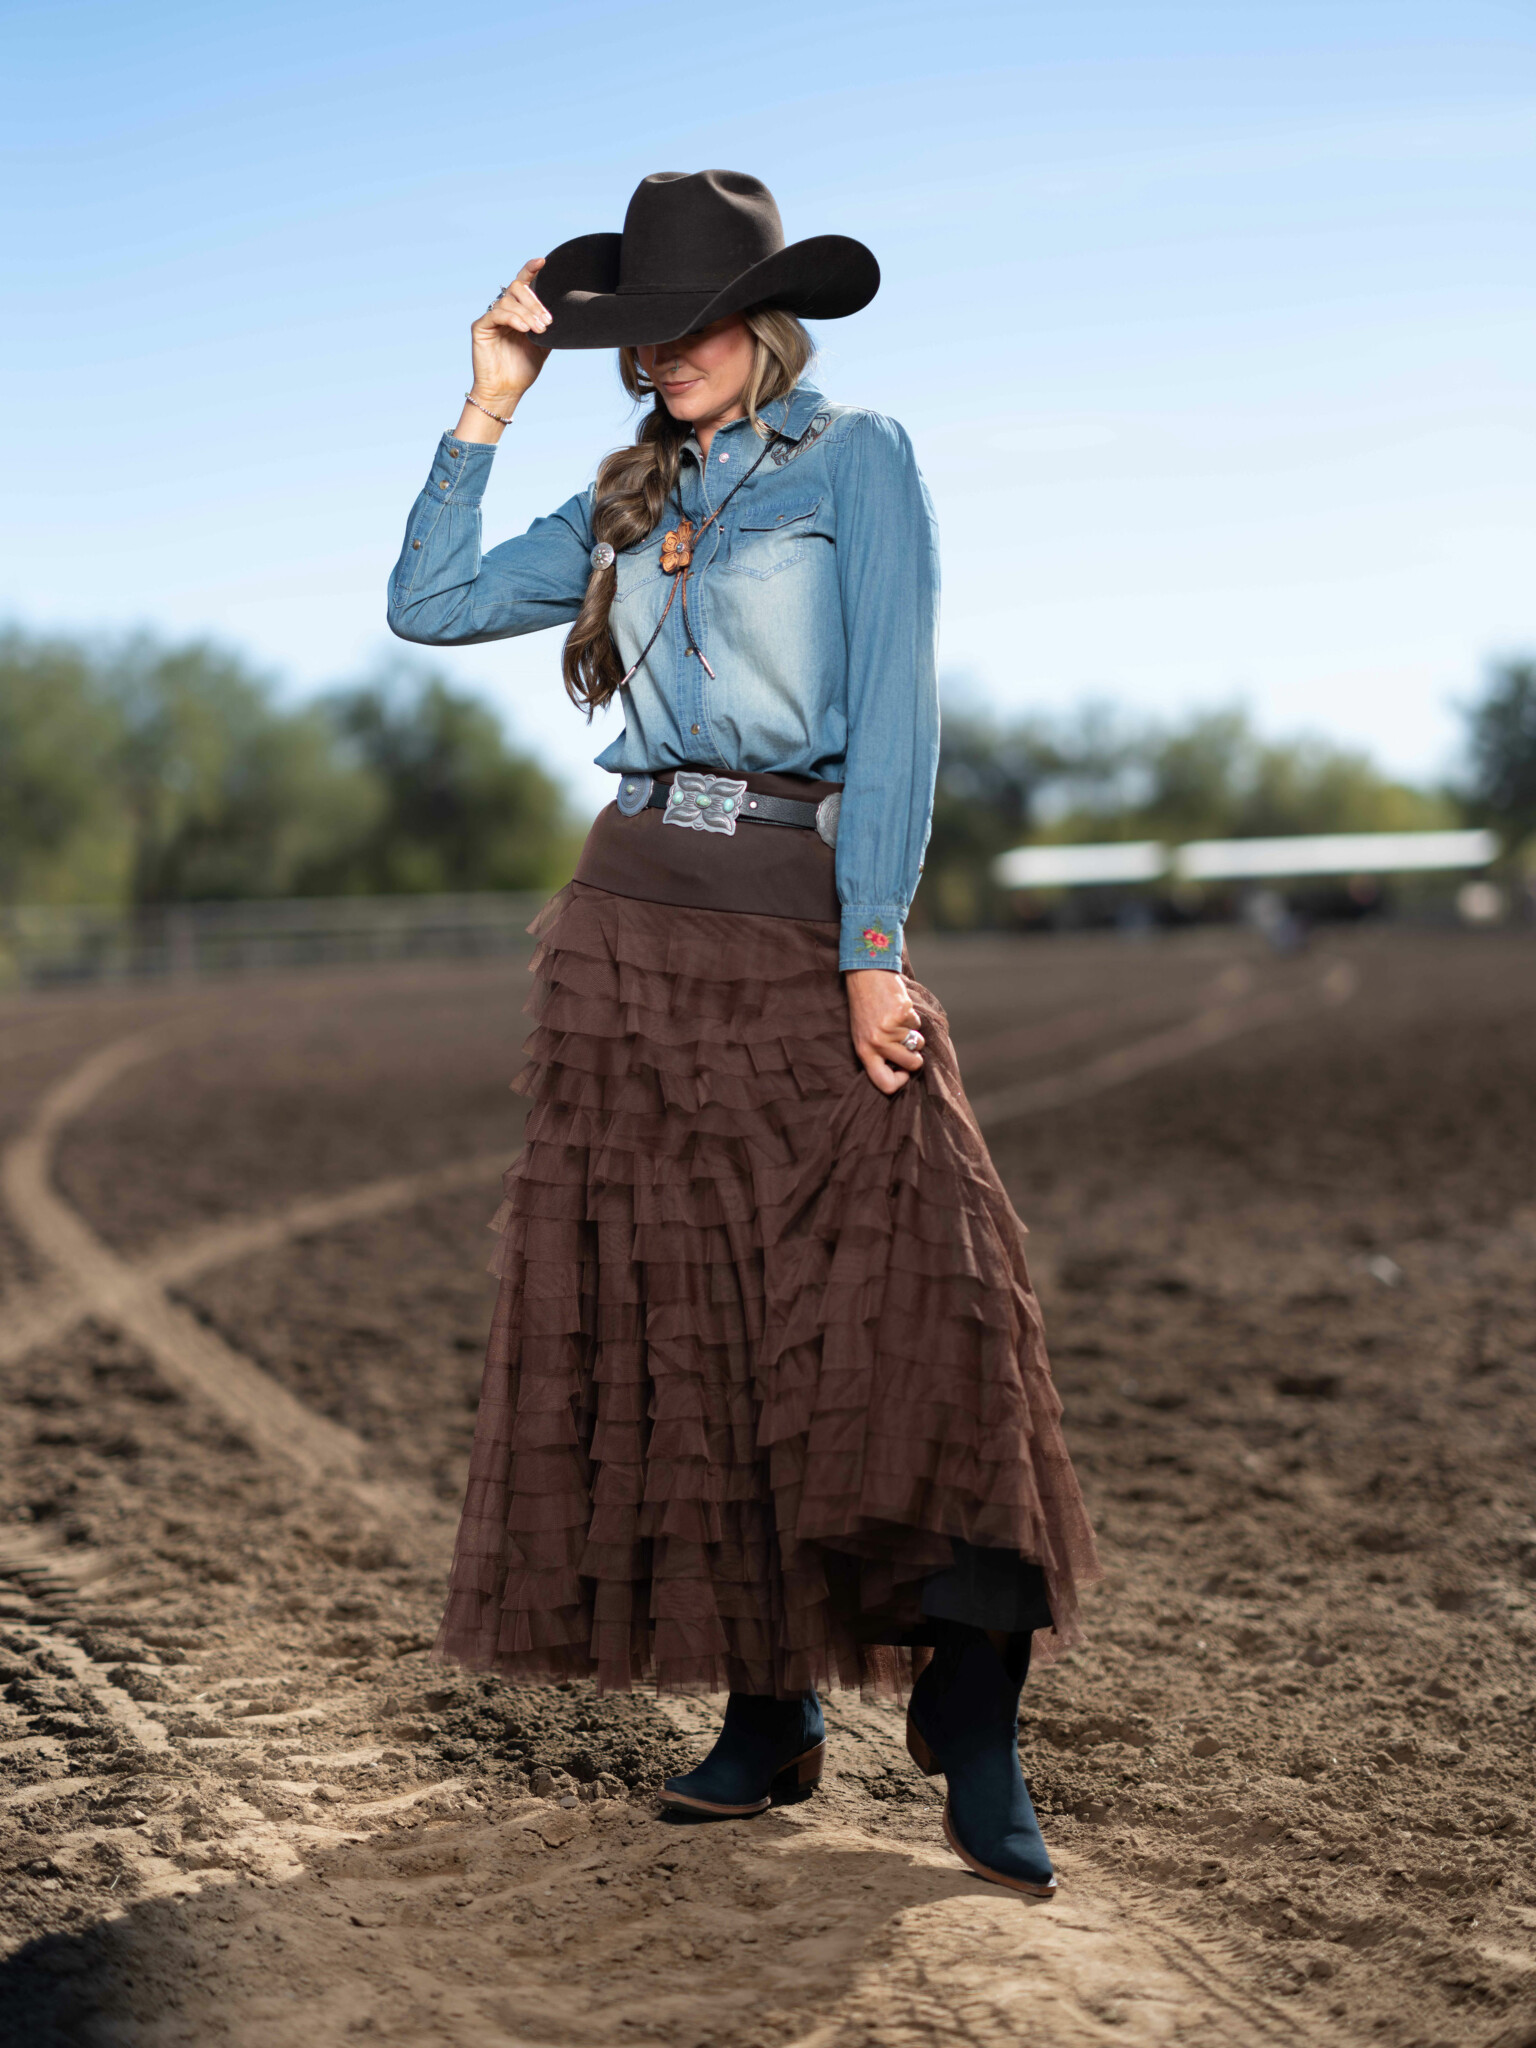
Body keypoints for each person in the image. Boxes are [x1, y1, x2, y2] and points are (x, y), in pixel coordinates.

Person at [388, 170, 1099, 1898]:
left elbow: (897, 709)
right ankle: (768, 1709)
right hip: (629, 928)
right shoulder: (622, 498)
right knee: (686, 1316)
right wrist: (489, 404)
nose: (664, 358)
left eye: (692, 324)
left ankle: (976, 1712)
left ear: (766, 320)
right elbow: (428, 604)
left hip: (800, 912)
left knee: (920, 1287)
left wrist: (874, 949)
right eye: (635, 334)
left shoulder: (858, 461)